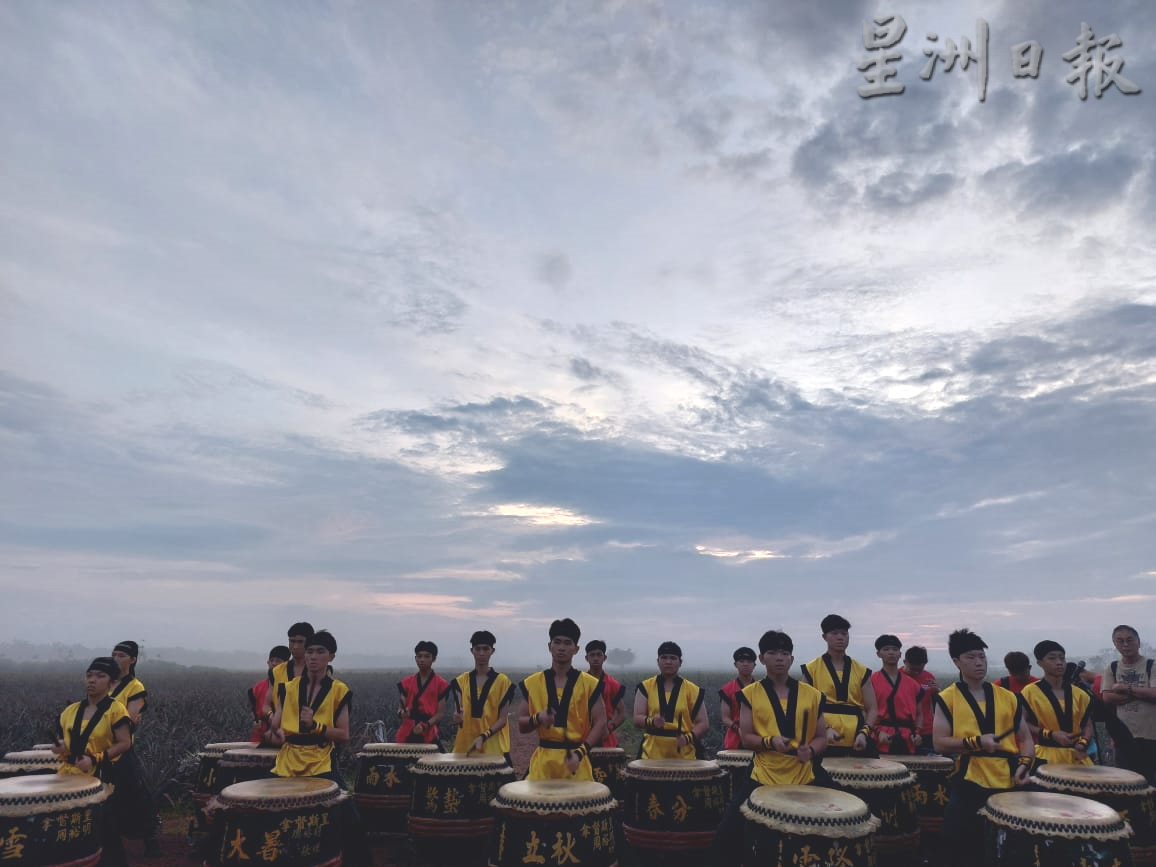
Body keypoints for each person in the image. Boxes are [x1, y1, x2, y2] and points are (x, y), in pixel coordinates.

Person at [711, 630, 835, 867]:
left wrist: (810, 750)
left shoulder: (812, 695)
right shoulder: (749, 694)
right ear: (762, 657)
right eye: (772, 652)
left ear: (791, 658)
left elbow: (821, 737)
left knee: (851, 817)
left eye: (785, 653)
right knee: (725, 836)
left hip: (805, 772)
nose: (779, 658)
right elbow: (746, 737)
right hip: (764, 772)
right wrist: (770, 742)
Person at [267, 630, 369, 866]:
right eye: (310, 651)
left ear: (331, 657)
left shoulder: (339, 690)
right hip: (288, 762)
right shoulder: (289, 688)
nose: (313, 657)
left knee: (351, 822)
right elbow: (277, 726)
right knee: (270, 818)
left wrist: (316, 726)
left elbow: (343, 734)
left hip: (320, 761)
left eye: (320, 652)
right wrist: (275, 732)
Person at [933, 629, 1034, 867]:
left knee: (1012, 849)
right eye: (970, 657)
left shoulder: (1008, 697)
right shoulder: (947, 698)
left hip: (1008, 777)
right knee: (960, 844)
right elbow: (939, 742)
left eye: (982, 656)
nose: (979, 662)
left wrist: (1025, 764)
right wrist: (976, 742)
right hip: (970, 777)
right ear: (956, 662)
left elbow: (1026, 739)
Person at [52, 657, 133, 866]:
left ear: (112, 683)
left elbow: (124, 743)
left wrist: (95, 759)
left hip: (102, 779)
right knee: (67, 830)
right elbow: (61, 742)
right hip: (68, 778)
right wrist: (60, 748)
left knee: (103, 833)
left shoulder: (116, 710)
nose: (92, 680)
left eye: (100, 676)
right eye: (89, 675)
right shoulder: (69, 711)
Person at [516, 618, 607, 780]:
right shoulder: (533, 683)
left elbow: (601, 722)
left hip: (577, 761)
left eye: (567, 643)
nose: (561, 648)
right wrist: (538, 718)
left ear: (576, 649)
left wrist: (580, 753)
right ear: (549, 646)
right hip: (544, 764)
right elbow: (522, 725)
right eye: (557, 642)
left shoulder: (590, 684)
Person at [107, 640, 162, 857]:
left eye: (121, 655)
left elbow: (128, 719)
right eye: (114, 654)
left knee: (135, 796)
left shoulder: (134, 687)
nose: (116, 658)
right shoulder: (105, 683)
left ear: (133, 659)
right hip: (100, 748)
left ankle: (150, 839)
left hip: (122, 749)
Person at [800, 614, 877, 756]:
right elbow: (804, 706)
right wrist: (825, 729)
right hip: (821, 736)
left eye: (844, 633)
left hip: (857, 737)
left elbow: (872, 708)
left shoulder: (861, 671)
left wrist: (864, 733)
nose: (840, 637)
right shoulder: (811, 669)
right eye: (834, 633)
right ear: (824, 637)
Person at [1020, 640, 1093, 766]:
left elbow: (1087, 724)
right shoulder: (1030, 692)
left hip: (1076, 756)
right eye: (1052, 658)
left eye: (1062, 658)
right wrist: (1051, 735)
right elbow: (1023, 723)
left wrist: (1083, 743)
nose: (1059, 663)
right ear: (1040, 663)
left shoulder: (1080, 694)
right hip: (1045, 756)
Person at [633, 641, 710, 759]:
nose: (668, 662)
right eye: (664, 657)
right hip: (651, 753)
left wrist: (687, 738)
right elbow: (637, 718)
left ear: (680, 662)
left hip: (685, 754)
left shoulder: (693, 690)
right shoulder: (645, 687)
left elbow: (703, 723)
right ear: (657, 661)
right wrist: (652, 721)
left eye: (673, 658)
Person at [449, 630, 516, 761]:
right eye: (477, 649)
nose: (481, 653)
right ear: (471, 651)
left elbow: (502, 719)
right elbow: (457, 713)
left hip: (493, 749)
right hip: (465, 748)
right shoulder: (461, 681)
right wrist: (457, 717)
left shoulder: (502, 681)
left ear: (492, 651)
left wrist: (483, 736)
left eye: (486, 649)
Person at [1102, 624, 1156, 784]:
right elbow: (1106, 697)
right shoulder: (1112, 668)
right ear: (1115, 645)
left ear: (1138, 642)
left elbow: (1154, 694)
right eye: (1120, 641)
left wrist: (1124, 688)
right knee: (1127, 783)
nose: (1125, 645)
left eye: (1129, 640)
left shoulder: (1151, 665)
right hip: (1123, 737)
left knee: (1151, 783)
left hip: (1151, 736)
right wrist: (1140, 694)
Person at [869, 634, 924, 755]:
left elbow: (920, 714)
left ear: (900, 654)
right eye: (886, 649)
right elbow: (865, 711)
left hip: (908, 737)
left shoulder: (913, 684)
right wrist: (877, 731)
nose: (891, 653)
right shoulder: (871, 681)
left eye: (895, 649)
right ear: (878, 654)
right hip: (881, 736)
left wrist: (918, 733)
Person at [395, 640, 449, 746]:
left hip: (428, 731)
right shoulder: (406, 683)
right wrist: (402, 713)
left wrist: (425, 725)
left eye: (426, 656)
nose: (422, 660)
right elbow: (400, 709)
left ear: (434, 658)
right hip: (406, 732)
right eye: (419, 656)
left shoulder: (441, 684)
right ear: (415, 658)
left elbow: (440, 714)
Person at [262, 622, 315, 720]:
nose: (295, 646)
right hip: (281, 731)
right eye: (292, 641)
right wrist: (272, 716)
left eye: (300, 642)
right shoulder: (276, 672)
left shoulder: (320, 671)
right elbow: (266, 706)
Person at [585, 640, 627, 747]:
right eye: (592, 655)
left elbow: (622, 713)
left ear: (605, 658)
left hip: (606, 739)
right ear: (587, 658)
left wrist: (610, 728)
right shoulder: (579, 682)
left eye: (599, 655)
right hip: (583, 735)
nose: (595, 658)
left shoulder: (612, 684)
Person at [248, 645, 291, 744]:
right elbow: (255, 713)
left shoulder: (293, 686)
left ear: (286, 664)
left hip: (284, 740)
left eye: (278, 661)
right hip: (259, 739)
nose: (274, 664)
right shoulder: (256, 689)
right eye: (272, 660)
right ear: (268, 663)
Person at [718, 647, 757, 751]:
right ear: (735, 665)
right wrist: (738, 729)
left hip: (758, 737)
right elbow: (725, 718)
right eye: (741, 661)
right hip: (735, 739)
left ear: (754, 665)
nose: (745, 664)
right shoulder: (727, 689)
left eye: (749, 661)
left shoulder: (762, 689)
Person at [903, 645, 938, 753]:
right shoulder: (897, 677)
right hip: (905, 729)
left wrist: (937, 692)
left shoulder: (929, 677)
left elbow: (935, 705)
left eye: (920, 670)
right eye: (913, 669)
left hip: (927, 730)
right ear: (905, 662)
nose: (916, 673)